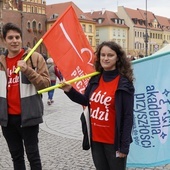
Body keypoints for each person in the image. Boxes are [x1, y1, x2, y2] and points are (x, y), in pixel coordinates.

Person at [60, 41, 135, 170]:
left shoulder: (124, 83)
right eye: (103, 55)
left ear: (117, 58)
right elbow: (85, 101)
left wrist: (124, 146)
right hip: (96, 139)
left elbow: (128, 116)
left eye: (110, 55)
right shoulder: (95, 79)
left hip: (114, 142)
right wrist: (69, 90)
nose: (105, 58)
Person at [0, 22, 50, 170]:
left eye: (17, 37)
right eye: (10, 38)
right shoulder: (1, 61)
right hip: (7, 119)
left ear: (21, 39)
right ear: (4, 40)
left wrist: (28, 70)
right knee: (16, 157)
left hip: (28, 115)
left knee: (33, 157)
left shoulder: (34, 57)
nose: (14, 40)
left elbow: (46, 84)